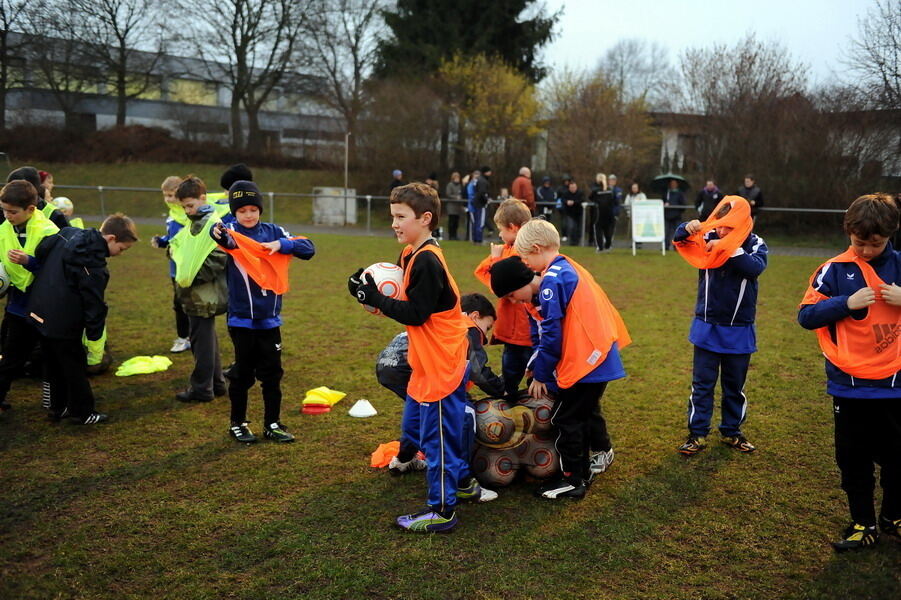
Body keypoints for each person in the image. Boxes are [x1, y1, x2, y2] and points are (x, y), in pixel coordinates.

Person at [347, 182, 475, 533]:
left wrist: (375, 297)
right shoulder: (410, 254)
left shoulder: (428, 261)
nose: (394, 223)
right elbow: (404, 303)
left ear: (426, 218)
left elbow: (416, 314)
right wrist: (369, 297)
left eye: (401, 217)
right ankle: (464, 485)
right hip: (426, 358)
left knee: (439, 440)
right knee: (419, 428)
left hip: (441, 362)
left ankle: (443, 511)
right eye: (393, 216)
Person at [798, 193, 901, 552]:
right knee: (853, 459)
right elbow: (806, 317)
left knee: (896, 459)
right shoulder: (835, 270)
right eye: (860, 243)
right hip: (850, 387)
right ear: (848, 232)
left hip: (895, 386)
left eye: (876, 244)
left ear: (891, 235)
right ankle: (863, 523)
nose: (867, 251)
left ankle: (892, 517)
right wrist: (846, 303)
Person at [501, 220, 630, 499]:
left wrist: (544, 376)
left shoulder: (551, 280)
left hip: (589, 361)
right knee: (580, 413)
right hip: (598, 358)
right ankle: (589, 463)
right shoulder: (567, 267)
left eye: (525, 258)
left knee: (565, 419)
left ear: (536, 249)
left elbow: (552, 336)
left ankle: (572, 480)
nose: (527, 265)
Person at [211, 180, 315, 443]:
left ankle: (272, 423)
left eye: (253, 209)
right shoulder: (231, 230)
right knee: (242, 374)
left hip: (270, 320)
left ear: (260, 209)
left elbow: (308, 248)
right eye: (242, 210)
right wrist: (218, 233)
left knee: (272, 374)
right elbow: (222, 237)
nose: (248, 215)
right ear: (235, 212)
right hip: (242, 320)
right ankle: (238, 423)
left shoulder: (274, 231)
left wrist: (282, 245)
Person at [375, 293, 505, 488]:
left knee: (419, 411)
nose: (485, 336)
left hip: (388, 363)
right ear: (475, 316)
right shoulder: (467, 327)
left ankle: (404, 459)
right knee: (461, 412)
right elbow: (478, 371)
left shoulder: (443, 318)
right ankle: (462, 476)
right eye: (487, 327)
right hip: (410, 367)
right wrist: (500, 389)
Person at [673, 196, 767, 456]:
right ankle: (697, 434)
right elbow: (680, 240)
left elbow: (755, 268)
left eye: (730, 227)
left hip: (739, 330)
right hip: (707, 328)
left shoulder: (755, 243)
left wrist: (728, 247)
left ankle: (731, 431)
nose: (722, 230)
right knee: (702, 385)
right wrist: (688, 227)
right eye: (721, 225)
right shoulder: (706, 236)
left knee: (733, 386)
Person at [29, 214, 138, 424]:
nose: (120, 254)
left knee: (51, 361)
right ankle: (83, 412)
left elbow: (41, 248)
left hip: (40, 310)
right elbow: (94, 307)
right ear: (111, 238)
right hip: (64, 320)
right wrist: (95, 338)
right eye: (122, 249)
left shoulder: (68, 233)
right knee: (74, 365)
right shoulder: (93, 267)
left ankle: (55, 407)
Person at [0, 180, 59, 413]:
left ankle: (53, 403)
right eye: (3, 210)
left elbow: (56, 270)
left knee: (51, 357)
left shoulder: (49, 231)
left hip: (45, 306)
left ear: (31, 209)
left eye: (12, 212)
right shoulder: (3, 229)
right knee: (11, 358)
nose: (7, 216)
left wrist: (29, 262)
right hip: (17, 305)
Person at [169, 176, 228, 403]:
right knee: (207, 340)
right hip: (200, 295)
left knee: (201, 343)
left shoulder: (210, 223)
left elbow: (218, 256)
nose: (187, 210)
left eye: (190, 205)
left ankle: (202, 389)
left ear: (203, 198)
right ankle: (217, 384)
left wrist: (191, 276)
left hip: (203, 294)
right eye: (184, 207)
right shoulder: (198, 221)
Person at [474, 199, 534, 400]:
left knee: (530, 372)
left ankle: (536, 410)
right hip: (513, 330)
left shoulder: (525, 251)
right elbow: (484, 274)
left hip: (525, 330)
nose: (499, 234)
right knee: (511, 372)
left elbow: (503, 283)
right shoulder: (508, 248)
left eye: (501, 229)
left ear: (513, 228)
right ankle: (511, 403)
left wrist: (495, 261)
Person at [152, 176, 192, 354]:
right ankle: (184, 337)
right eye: (165, 195)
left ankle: (193, 337)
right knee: (179, 304)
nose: (168, 199)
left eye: (171, 195)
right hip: (175, 269)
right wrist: (162, 241)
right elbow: (173, 238)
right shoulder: (172, 217)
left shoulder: (192, 212)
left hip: (193, 267)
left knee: (194, 304)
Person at [589, 173, 616, 252]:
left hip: (599, 213)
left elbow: (590, 197)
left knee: (598, 229)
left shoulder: (595, 190)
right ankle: (608, 246)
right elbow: (613, 200)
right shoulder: (610, 190)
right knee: (608, 230)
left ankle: (600, 247)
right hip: (609, 213)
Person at [663, 179, 686, 250]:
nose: (673, 185)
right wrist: (665, 204)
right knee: (667, 232)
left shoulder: (680, 193)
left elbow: (683, 205)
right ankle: (666, 246)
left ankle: (676, 247)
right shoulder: (666, 193)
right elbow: (662, 201)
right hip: (667, 215)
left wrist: (676, 208)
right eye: (672, 183)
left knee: (677, 232)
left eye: (674, 183)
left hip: (677, 216)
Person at [560, 180, 584, 246]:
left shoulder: (580, 193)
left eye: (574, 187)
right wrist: (567, 202)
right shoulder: (566, 193)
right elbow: (562, 200)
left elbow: (581, 200)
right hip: (569, 214)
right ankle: (572, 241)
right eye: (571, 188)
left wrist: (574, 202)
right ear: (569, 188)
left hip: (578, 213)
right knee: (571, 227)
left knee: (578, 228)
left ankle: (577, 241)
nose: (573, 189)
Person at [467, 170, 485, 244]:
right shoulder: (472, 184)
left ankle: (477, 239)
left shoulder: (475, 183)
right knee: (476, 223)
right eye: (475, 175)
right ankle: (476, 239)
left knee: (477, 222)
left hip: (474, 205)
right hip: (473, 206)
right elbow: (471, 194)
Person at [445, 171, 463, 241]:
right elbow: (448, 194)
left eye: (458, 178)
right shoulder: (450, 185)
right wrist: (456, 197)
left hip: (457, 207)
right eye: (456, 177)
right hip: (451, 207)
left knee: (456, 222)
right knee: (451, 222)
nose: (457, 179)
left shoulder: (460, 186)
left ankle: (455, 235)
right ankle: (451, 236)